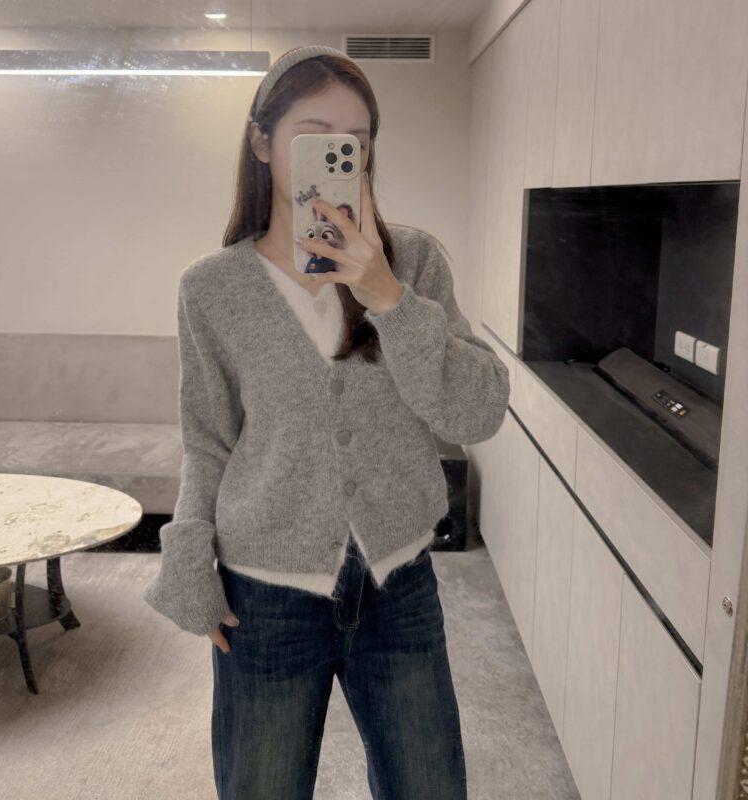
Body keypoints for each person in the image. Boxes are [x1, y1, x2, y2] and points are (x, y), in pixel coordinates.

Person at [143, 44, 510, 799]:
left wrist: (389, 298)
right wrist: (188, 557)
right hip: (265, 593)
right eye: (316, 137)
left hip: (399, 583)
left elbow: (477, 412)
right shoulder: (211, 288)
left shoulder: (413, 262)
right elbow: (208, 438)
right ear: (262, 142)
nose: (342, 155)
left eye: (357, 142)